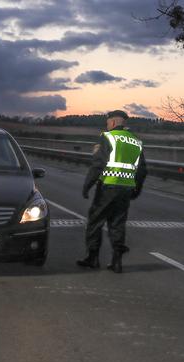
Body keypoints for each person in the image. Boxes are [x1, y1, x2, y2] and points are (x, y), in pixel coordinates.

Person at [76, 110, 147, 273]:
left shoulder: (107, 137)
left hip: (108, 187)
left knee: (95, 222)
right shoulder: (136, 141)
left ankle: (92, 258)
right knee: (117, 223)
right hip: (126, 190)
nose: (107, 126)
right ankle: (117, 262)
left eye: (108, 123)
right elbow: (142, 170)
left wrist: (87, 185)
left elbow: (98, 164)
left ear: (113, 122)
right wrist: (137, 189)